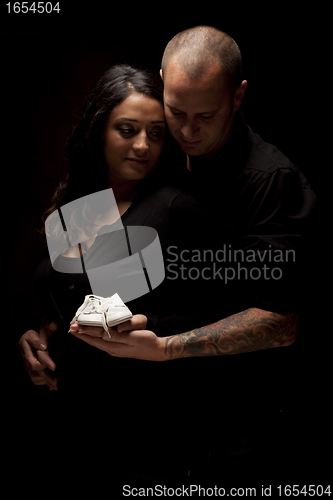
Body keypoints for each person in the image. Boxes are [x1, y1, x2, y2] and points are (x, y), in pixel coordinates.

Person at [69, 27, 316, 485]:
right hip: (153, 419)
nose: (187, 130)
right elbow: (91, 263)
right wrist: (45, 328)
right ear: (162, 81)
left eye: (205, 115)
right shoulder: (158, 151)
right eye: (176, 111)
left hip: (239, 421)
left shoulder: (269, 180)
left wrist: (164, 349)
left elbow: (283, 324)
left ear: (238, 96)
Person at [18, 63, 221, 488]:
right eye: (127, 130)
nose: (144, 146)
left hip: (148, 443)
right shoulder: (80, 209)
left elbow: (221, 316)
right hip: (69, 434)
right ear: (98, 130)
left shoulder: (175, 208)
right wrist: (39, 338)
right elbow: (72, 298)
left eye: (156, 132)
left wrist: (155, 335)